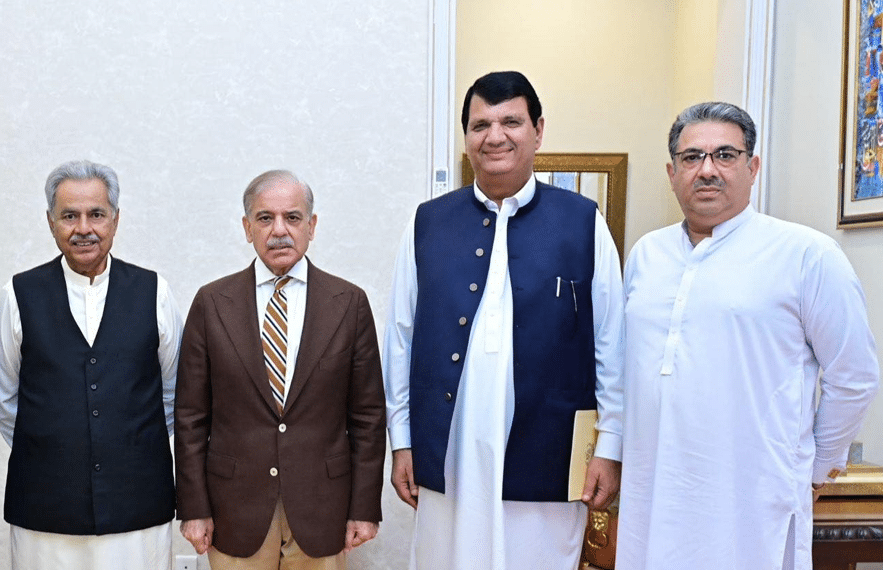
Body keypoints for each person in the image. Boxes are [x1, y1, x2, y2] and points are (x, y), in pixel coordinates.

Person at [617, 102, 881, 570]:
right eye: (691, 157)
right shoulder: (646, 255)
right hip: (653, 496)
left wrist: (816, 469)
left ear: (752, 167)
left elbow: (854, 376)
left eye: (725, 155)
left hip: (752, 502)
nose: (707, 170)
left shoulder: (806, 255)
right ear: (672, 173)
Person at [383, 71, 625, 570]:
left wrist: (611, 444)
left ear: (539, 131)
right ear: (466, 138)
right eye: (480, 125)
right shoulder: (427, 223)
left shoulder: (583, 222)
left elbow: (611, 344)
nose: (495, 136)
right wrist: (401, 440)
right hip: (450, 446)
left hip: (548, 445)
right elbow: (400, 338)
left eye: (511, 122)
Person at [175, 170, 386, 570]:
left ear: (311, 226)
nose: (279, 231)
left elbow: (368, 417)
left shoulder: (349, 303)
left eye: (292, 217)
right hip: (234, 510)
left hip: (323, 508)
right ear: (247, 228)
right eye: (265, 218)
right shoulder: (211, 303)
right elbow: (190, 417)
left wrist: (364, 508)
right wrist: (194, 508)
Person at [0, 159, 183, 570]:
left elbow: (174, 392)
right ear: (51, 223)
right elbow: (5, 397)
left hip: (138, 509)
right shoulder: (18, 294)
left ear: (115, 220)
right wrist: (54, 441)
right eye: (70, 216)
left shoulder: (155, 291)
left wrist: (126, 441)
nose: (84, 228)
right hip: (45, 511)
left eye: (96, 214)